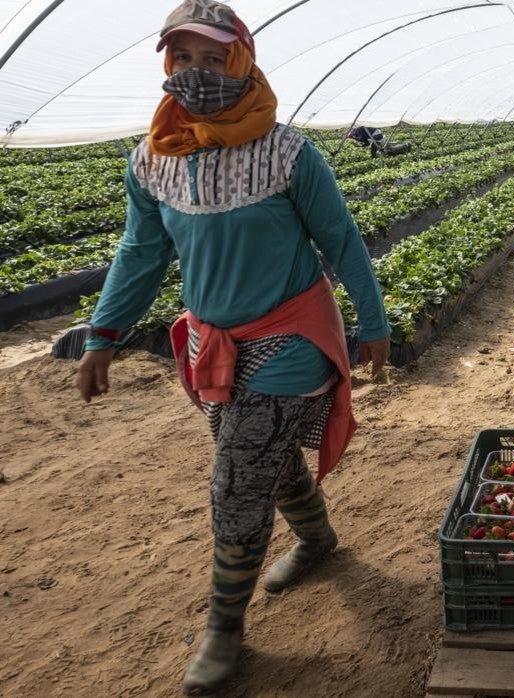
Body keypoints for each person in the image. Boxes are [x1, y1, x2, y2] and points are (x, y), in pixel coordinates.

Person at [72, 1, 391, 693]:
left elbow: (339, 240)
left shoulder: (287, 153)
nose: (196, 73)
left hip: (291, 334)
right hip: (213, 343)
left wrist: (374, 322)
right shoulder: (154, 158)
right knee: (266, 462)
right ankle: (318, 540)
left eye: (213, 58)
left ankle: (223, 629)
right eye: (182, 58)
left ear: (241, 59)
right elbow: (141, 251)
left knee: (238, 477)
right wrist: (102, 335)